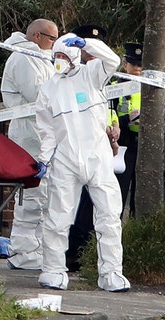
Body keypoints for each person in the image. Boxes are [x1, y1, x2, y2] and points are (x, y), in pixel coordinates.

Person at [34, 32, 130, 292]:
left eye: (64, 56)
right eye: (57, 56)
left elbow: (112, 59)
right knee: (57, 216)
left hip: (97, 156)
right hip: (65, 158)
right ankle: (53, 269)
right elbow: (47, 130)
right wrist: (44, 159)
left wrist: (89, 44)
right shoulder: (49, 88)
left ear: (75, 56)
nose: (59, 61)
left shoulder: (91, 75)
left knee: (109, 215)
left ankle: (111, 272)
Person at [0, 18, 58, 270]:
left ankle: (37, 250)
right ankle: (23, 252)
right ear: (36, 36)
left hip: (42, 133)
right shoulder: (23, 58)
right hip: (28, 133)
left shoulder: (43, 58)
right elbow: (39, 94)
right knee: (31, 196)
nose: (54, 43)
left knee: (45, 197)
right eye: (51, 38)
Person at [64, 24, 121, 272]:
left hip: (99, 152)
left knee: (107, 213)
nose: (90, 51)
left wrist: (112, 133)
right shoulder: (65, 75)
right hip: (71, 152)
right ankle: (66, 259)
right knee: (65, 213)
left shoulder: (100, 73)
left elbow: (105, 111)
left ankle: (108, 268)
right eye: (86, 44)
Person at [115, 43, 165, 219]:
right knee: (115, 201)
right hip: (121, 149)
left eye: (141, 65)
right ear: (125, 64)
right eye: (134, 64)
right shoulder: (114, 88)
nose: (137, 69)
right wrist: (127, 119)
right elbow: (103, 120)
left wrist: (152, 127)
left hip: (146, 150)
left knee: (143, 202)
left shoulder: (153, 91)